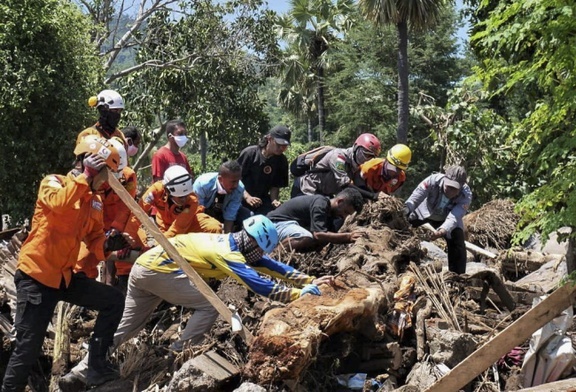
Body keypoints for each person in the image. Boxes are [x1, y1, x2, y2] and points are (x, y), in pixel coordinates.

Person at [59, 215, 333, 388]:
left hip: (145, 269)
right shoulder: (228, 253)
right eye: (259, 248)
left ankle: (81, 371)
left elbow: (270, 266)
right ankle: (176, 354)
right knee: (211, 305)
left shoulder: (235, 243)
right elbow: (259, 283)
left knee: (126, 327)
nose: (259, 253)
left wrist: (306, 279)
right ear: (253, 242)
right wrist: (299, 294)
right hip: (159, 271)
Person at [2, 137, 135, 392]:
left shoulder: (94, 200)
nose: (108, 182)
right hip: (36, 277)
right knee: (28, 347)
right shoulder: (54, 183)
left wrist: (110, 244)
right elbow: (61, 204)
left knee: (113, 300)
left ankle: (96, 367)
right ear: (91, 163)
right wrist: (85, 176)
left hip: (64, 277)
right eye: (106, 174)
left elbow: (95, 238)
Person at [123, 165, 222, 247]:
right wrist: (127, 238)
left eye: (185, 196)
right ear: (167, 191)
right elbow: (138, 213)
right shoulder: (156, 191)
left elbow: (178, 227)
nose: (184, 200)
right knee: (132, 239)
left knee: (214, 227)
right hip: (165, 227)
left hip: (188, 224)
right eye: (180, 197)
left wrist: (158, 244)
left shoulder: (192, 201)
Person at [403, 165, 472, 274]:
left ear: (461, 187)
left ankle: (457, 277)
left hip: (447, 219)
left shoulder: (466, 195)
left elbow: (454, 216)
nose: (450, 190)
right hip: (423, 213)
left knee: (458, 240)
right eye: (448, 186)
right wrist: (405, 210)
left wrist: (442, 230)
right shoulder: (432, 181)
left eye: (454, 188)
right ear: (444, 178)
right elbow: (415, 198)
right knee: (403, 224)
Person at [268, 188, 366, 253]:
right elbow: (318, 234)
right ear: (339, 202)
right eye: (345, 212)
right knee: (306, 237)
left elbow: (324, 239)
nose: (344, 217)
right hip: (274, 224)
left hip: (284, 227)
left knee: (320, 241)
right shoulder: (321, 203)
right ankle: (273, 258)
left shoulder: (330, 216)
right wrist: (348, 237)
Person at [292, 133, 382, 198]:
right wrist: (373, 196)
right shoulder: (338, 157)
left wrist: (378, 195)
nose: (367, 159)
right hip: (306, 189)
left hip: (321, 195)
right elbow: (345, 184)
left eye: (371, 157)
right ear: (355, 147)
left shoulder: (355, 167)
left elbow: (360, 185)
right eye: (365, 154)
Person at [237, 125, 291, 215]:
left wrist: (274, 200)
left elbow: (275, 185)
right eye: (279, 145)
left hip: (262, 201)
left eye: (284, 146)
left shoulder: (282, 161)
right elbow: (235, 180)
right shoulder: (249, 153)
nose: (281, 148)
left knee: (273, 218)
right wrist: (247, 197)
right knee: (250, 218)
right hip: (241, 198)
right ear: (269, 139)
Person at [192, 160, 252, 233]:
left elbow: (230, 214)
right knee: (212, 226)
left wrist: (227, 237)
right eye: (233, 182)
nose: (236, 185)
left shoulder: (239, 188)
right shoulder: (202, 185)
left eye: (238, 181)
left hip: (224, 213)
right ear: (220, 179)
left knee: (248, 216)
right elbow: (198, 212)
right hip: (205, 212)